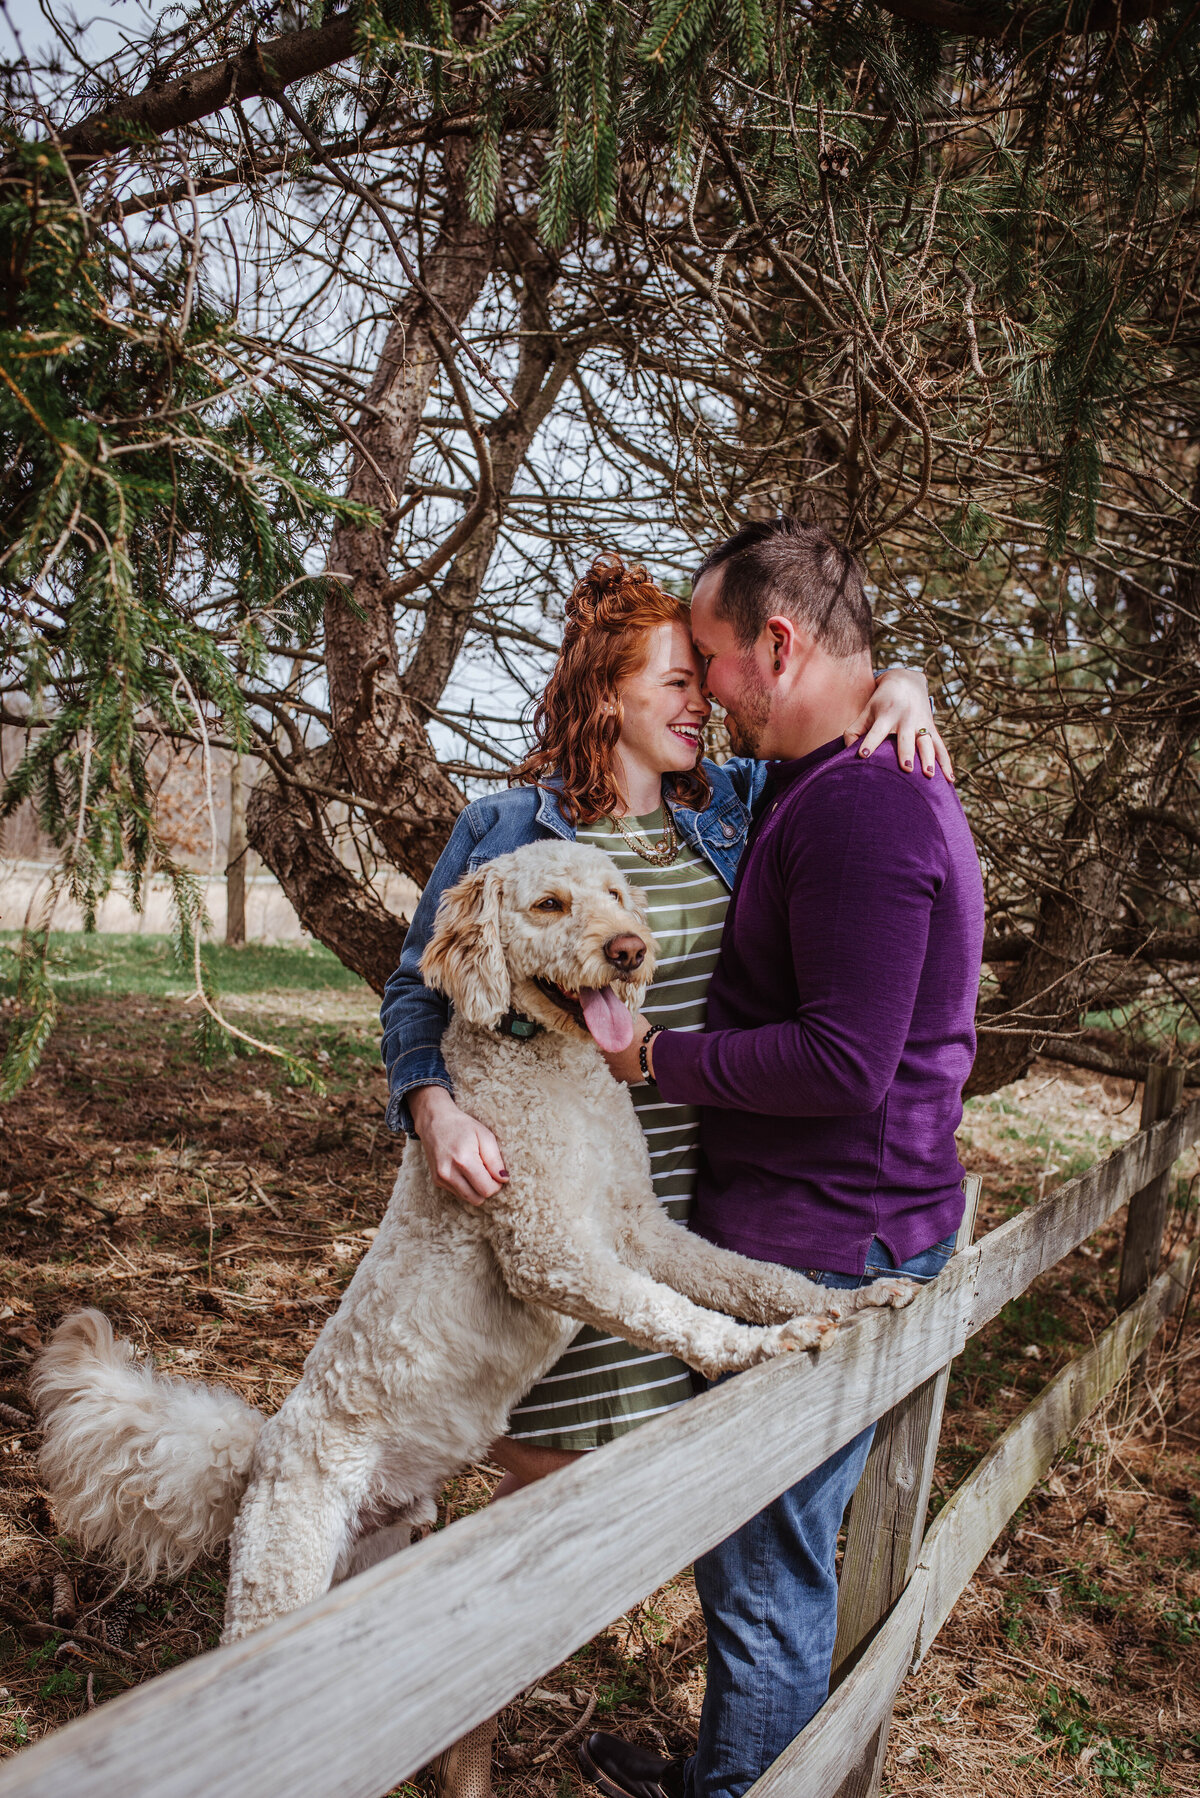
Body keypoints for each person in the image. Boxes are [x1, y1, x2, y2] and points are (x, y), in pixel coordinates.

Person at [379, 552, 948, 1798]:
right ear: (607, 691)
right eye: (676, 679)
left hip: (688, 1214)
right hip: (548, 1216)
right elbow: (411, 987)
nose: (704, 702)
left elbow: (839, 736)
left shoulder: (736, 804)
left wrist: (905, 685)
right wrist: (427, 1103)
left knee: (653, 1541)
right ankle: (457, 1758)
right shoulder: (510, 826)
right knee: (540, 1539)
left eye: (707, 677)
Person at [575, 519, 985, 1798]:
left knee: (764, 1579)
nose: (702, 689)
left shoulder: (862, 804)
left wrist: (657, 1061)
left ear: (780, 643)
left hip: (821, 1240)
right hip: (836, 1220)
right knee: (770, 1561)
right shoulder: (835, 770)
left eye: (711, 658)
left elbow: (841, 1064)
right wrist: (904, 679)